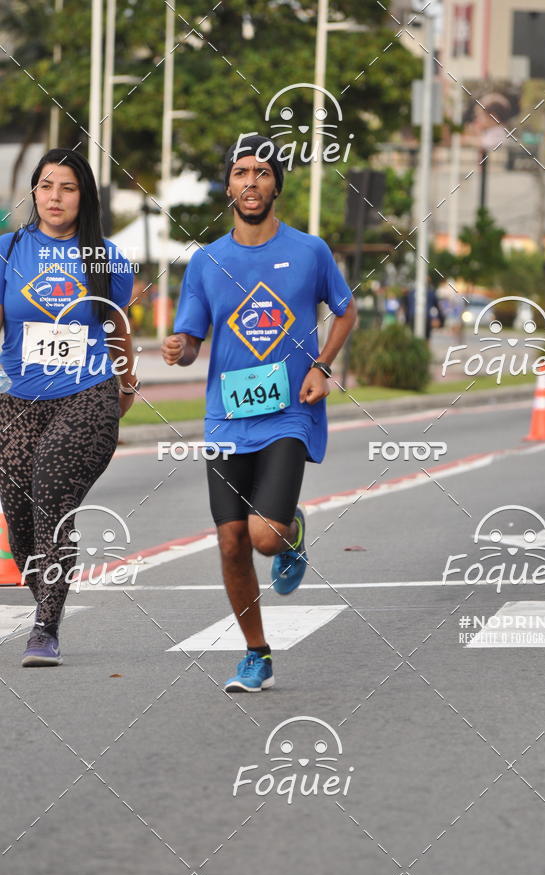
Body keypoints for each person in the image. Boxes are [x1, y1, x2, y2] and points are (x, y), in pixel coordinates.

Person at [162, 134, 357, 692]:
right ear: (228, 185)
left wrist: (321, 365)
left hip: (286, 413)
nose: (252, 182)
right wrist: (180, 350)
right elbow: (191, 339)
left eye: (263, 173)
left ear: (276, 185)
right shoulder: (206, 262)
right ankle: (257, 653)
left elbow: (345, 312)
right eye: (242, 172)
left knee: (264, 537)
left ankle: (291, 533)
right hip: (226, 418)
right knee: (230, 543)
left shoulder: (310, 252)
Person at [0, 148, 136, 667]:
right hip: (17, 401)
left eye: (68, 188)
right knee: (20, 519)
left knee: (52, 494)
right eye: (46, 186)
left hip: (87, 394)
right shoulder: (9, 250)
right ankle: (45, 592)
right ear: (34, 192)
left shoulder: (105, 256)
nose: (55, 197)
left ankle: (45, 628)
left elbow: (116, 324)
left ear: (85, 198)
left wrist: (126, 385)